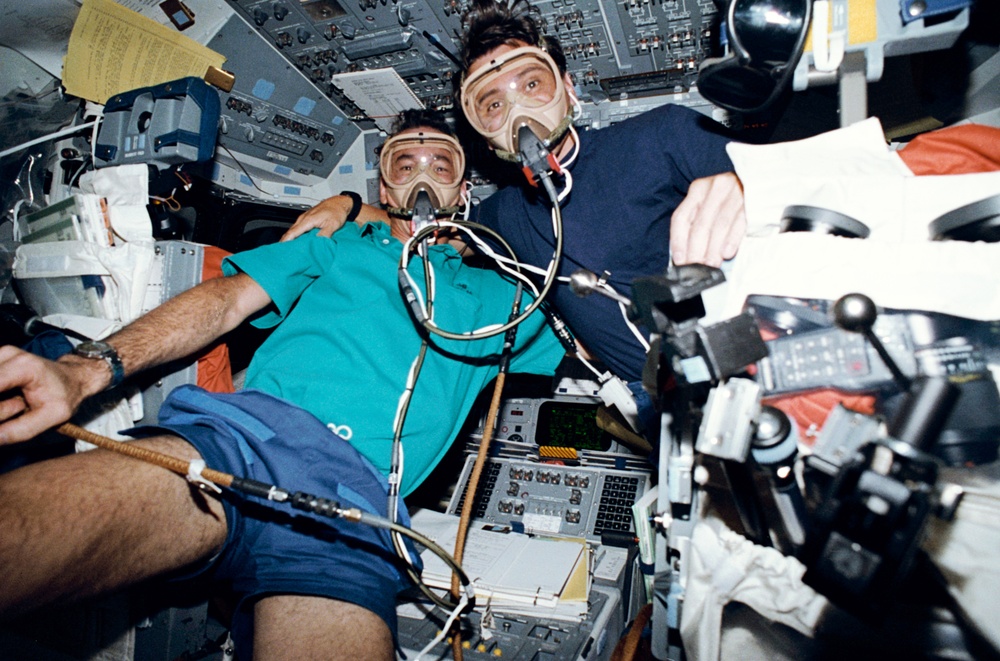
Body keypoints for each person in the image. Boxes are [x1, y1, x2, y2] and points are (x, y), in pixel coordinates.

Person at [0, 109, 566, 660]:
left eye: (440, 166)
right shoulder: (335, 245)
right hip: (246, 442)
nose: (422, 176)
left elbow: (594, 325)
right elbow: (225, 302)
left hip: (356, 511)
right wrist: (82, 370)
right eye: (404, 163)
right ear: (386, 189)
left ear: (461, 189)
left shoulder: (504, 298)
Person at [283, 0, 747, 438]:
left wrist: (743, 183)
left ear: (566, 88)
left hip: (743, 353)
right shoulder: (505, 213)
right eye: (493, 104)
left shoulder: (659, 134)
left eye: (530, 85)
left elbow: (794, 184)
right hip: (657, 405)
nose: (518, 111)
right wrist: (344, 204)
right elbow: (430, 223)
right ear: (486, 135)